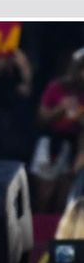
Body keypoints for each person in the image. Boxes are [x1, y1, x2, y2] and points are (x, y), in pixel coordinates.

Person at [31, 48, 84, 213]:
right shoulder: (57, 88)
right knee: (45, 193)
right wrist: (61, 109)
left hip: (74, 147)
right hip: (50, 144)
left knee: (65, 194)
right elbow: (42, 119)